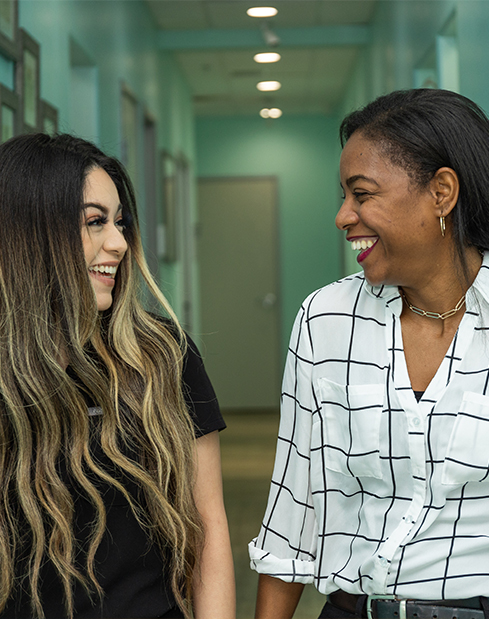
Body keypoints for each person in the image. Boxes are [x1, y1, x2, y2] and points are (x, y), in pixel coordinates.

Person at [249, 88, 489, 619]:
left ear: (441, 192)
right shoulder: (326, 320)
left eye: (362, 194)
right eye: (344, 195)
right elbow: (294, 508)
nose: (342, 215)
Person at [0, 133, 235, 619]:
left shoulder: (163, 356)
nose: (119, 243)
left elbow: (207, 529)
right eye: (94, 222)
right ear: (29, 231)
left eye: (120, 222)